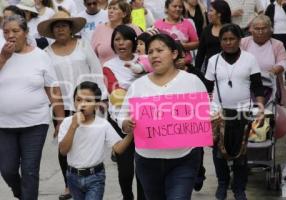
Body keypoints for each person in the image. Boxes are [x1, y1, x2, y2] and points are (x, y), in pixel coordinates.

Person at [117, 33, 207, 200]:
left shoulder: (192, 81)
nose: (154, 55)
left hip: (184, 159)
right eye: (150, 52)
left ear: (174, 53)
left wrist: (212, 116)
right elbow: (122, 115)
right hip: (147, 161)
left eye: (160, 50)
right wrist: (125, 123)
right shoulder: (138, 85)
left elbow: (207, 109)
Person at [37, 9, 108, 200]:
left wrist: (101, 98)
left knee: (86, 139)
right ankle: (69, 184)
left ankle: (92, 178)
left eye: (64, 25)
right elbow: (47, 83)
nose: (60, 29)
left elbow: (96, 69)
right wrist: (56, 112)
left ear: (70, 28)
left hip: (87, 101)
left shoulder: (83, 45)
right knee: (65, 143)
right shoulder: (46, 53)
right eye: (57, 26)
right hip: (63, 105)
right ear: (52, 31)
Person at [0, 14, 64, 200]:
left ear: (26, 32)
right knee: (7, 170)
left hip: (35, 123)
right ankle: (21, 192)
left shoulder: (40, 56)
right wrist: (4, 58)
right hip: (4, 124)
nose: (10, 35)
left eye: (15, 31)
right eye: (6, 32)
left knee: (29, 170)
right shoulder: (1, 53)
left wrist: (60, 120)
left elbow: (53, 89)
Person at [205, 24, 265, 200]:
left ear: (239, 40)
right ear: (220, 41)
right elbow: (207, 89)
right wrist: (206, 111)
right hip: (218, 113)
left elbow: (258, 87)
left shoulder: (249, 59)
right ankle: (222, 184)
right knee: (218, 153)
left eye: (232, 39)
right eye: (224, 39)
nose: (228, 42)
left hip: (242, 112)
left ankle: (239, 188)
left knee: (241, 153)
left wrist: (260, 108)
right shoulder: (213, 61)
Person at [58, 81, 133, 200]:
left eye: (88, 101)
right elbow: (63, 151)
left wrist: (131, 134)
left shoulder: (103, 124)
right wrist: (73, 126)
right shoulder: (67, 123)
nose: (82, 104)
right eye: (78, 100)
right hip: (72, 176)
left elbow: (118, 148)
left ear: (97, 104)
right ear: (73, 102)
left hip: (95, 177)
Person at [103, 24, 146, 200]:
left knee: (144, 168)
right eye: (117, 40)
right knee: (126, 170)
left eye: (125, 39)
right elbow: (116, 93)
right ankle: (127, 196)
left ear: (134, 41)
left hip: (145, 119)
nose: (121, 43)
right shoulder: (108, 65)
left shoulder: (145, 60)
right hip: (120, 121)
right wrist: (139, 83)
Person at [241, 14, 286, 105]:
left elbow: (283, 62)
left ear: (270, 29)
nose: (260, 32)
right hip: (247, 85)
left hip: (270, 86)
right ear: (251, 30)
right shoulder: (243, 42)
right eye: (257, 29)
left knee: (269, 115)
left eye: (264, 28)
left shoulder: (277, 44)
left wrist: (277, 68)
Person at [91, 0, 142, 66]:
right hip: (105, 73)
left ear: (124, 14)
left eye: (115, 9)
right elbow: (92, 55)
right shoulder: (99, 29)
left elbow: (142, 51)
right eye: (109, 8)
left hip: (130, 72)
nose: (111, 11)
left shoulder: (134, 29)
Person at [195, 0, 231, 83]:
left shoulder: (232, 29)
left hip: (230, 70)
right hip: (211, 71)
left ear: (219, 13)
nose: (208, 13)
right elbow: (201, 53)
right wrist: (196, 72)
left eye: (211, 11)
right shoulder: (206, 30)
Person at [154, 0, 199, 66]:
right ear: (167, 8)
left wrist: (183, 46)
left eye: (180, 7)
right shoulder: (158, 24)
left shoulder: (187, 23)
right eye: (174, 6)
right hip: (163, 65)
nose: (178, 9)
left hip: (183, 64)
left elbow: (196, 43)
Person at [265, 0, 286, 86]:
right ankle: (275, 77)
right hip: (274, 36)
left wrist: (285, 6)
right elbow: (266, 20)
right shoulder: (271, 7)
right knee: (274, 57)